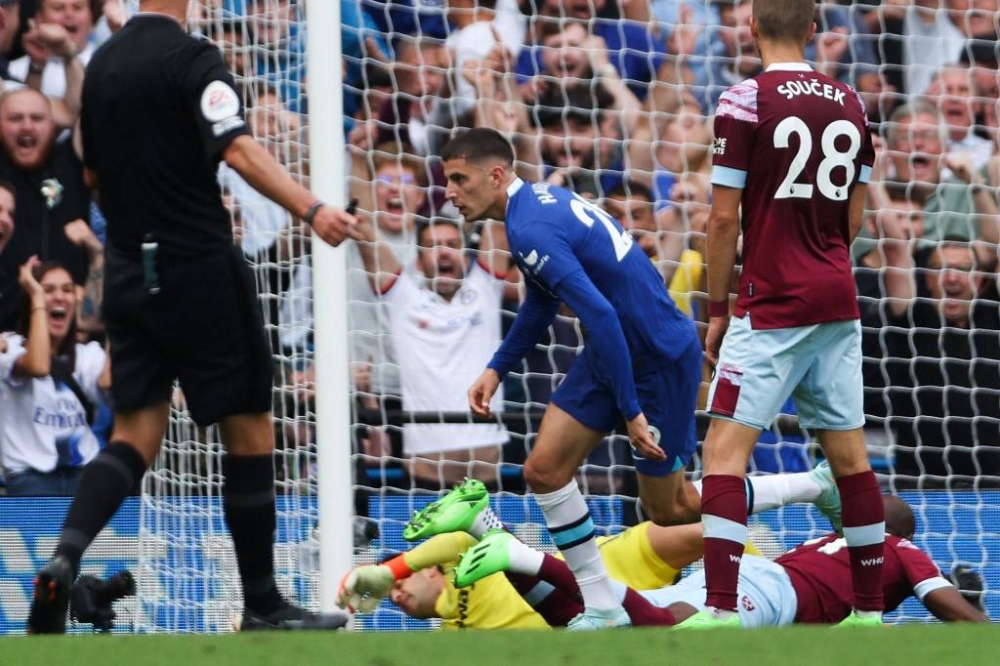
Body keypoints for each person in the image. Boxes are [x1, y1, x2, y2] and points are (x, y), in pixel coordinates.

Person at [26, 0, 356, 634]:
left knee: (133, 435)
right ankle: (261, 603)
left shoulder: (102, 66)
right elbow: (235, 149)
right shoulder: (193, 57)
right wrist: (312, 210)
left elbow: (92, 172)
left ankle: (65, 557)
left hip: (127, 271)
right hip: (198, 267)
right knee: (249, 429)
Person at [444, 127, 841, 630]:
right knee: (543, 471)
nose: (450, 193)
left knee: (671, 509)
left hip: (654, 357)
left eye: (459, 179)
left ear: (495, 175)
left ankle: (813, 484)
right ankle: (603, 605)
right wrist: (497, 368)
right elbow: (545, 301)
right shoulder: (534, 210)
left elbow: (605, 317)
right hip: (612, 352)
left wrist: (632, 413)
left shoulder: (531, 227)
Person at [691, 0, 884, 629]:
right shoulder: (850, 103)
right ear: (812, 29)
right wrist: (821, 253)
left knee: (723, 453)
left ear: (750, 26)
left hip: (772, 301)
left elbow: (723, 218)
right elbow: (854, 216)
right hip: (836, 295)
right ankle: (869, 614)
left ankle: (719, 612)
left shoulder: (743, 101)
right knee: (850, 460)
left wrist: (717, 307)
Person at [349, 212, 510, 489]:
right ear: (419, 262)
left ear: (464, 253)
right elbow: (366, 236)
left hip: (484, 473)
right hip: (426, 474)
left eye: (451, 244)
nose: (443, 252)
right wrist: (350, 215)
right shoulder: (404, 300)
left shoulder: (485, 290)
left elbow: (499, 211)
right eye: (433, 246)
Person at [0, 237, 108, 496]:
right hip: (30, 482)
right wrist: (35, 294)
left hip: (84, 475)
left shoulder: (87, 355)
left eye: (68, 289)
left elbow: (109, 384)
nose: (59, 296)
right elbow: (38, 365)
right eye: (48, 289)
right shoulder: (10, 346)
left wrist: (118, 315)